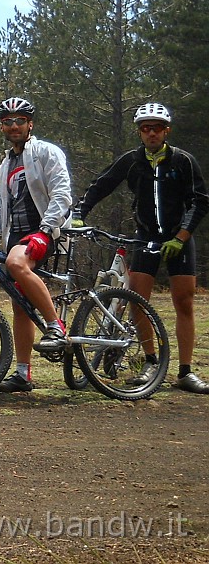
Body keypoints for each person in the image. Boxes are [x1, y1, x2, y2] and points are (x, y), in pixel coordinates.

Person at [73, 102, 209, 394]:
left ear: (166, 131)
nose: (151, 133)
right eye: (145, 128)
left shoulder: (183, 161)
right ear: (139, 131)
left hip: (178, 238)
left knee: (183, 302)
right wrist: (79, 212)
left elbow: (200, 201)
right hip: (145, 236)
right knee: (137, 300)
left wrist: (182, 236)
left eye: (157, 128)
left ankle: (185, 371)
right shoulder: (132, 160)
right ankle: (151, 362)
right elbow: (102, 184)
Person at [0, 97, 74, 393]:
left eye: (19, 120)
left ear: (30, 124)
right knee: (19, 304)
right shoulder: (6, 163)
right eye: (7, 121)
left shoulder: (46, 152)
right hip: (16, 236)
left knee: (16, 264)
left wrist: (45, 230)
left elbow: (62, 194)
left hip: (44, 231)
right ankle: (22, 374)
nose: (13, 126)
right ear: (1, 126)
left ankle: (56, 325)